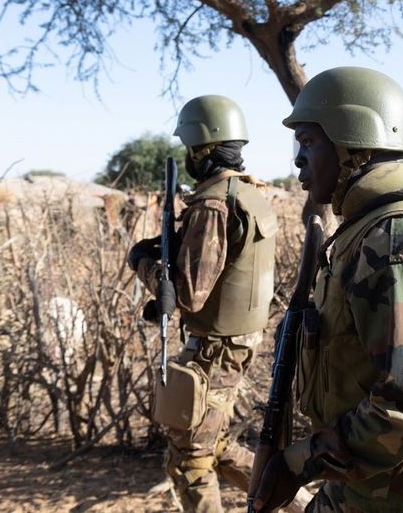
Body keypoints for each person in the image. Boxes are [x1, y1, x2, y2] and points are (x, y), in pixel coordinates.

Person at [251, 66, 403, 512]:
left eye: (309, 142)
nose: (297, 160)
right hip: (371, 473)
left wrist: (299, 463)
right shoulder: (371, 228)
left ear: (351, 143)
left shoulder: (399, 235)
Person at [127, 94, 278, 513]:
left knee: (190, 457)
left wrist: (144, 264)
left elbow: (189, 293)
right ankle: (306, 502)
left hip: (215, 351)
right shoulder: (250, 195)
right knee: (216, 445)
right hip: (236, 343)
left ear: (202, 147)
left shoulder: (213, 203)